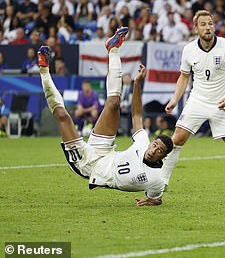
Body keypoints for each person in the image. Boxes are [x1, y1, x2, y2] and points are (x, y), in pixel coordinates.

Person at [37, 27, 174, 206]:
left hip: (88, 166)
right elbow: (137, 114)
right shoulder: (143, 144)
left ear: (162, 157)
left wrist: (150, 201)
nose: (154, 149)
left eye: (159, 151)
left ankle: (43, 70)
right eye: (155, 144)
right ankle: (113, 48)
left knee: (63, 115)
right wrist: (137, 83)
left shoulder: (156, 179)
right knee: (113, 104)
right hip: (105, 151)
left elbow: (156, 199)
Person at [162, 10, 225, 191]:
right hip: (197, 101)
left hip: (221, 104)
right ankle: (163, 181)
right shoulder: (189, 50)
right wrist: (175, 99)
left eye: (211, 23)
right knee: (177, 139)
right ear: (196, 28)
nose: (208, 27)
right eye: (203, 24)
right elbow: (183, 77)